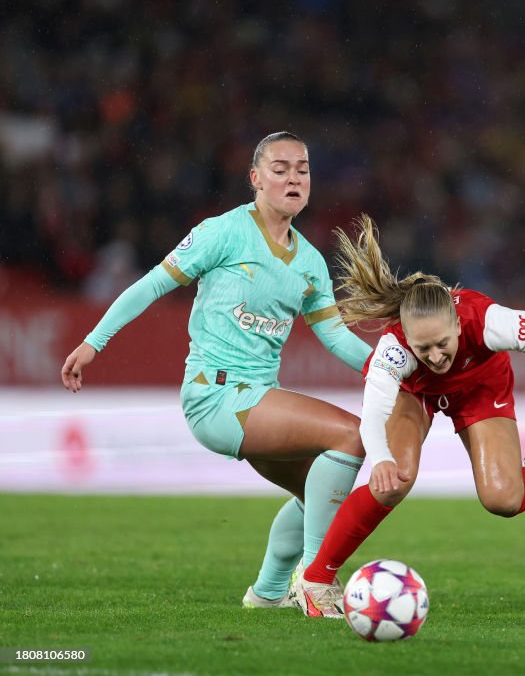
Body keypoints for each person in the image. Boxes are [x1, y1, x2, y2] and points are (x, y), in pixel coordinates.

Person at [287, 215, 525, 618]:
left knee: (502, 500)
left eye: (443, 343)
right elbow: (372, 413)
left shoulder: (493, 321)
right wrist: (382, 457)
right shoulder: (394, 349)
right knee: (392, 481)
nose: (436, 356)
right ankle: (316, 579)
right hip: (416, 394)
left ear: (458, 323)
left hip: (480, 389)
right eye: (424, 349)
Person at [60, 132, 373, 609]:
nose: (293, 177)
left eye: (302, 169)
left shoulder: (309, 261)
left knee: (320, 494)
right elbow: (150, 286)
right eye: (280, 168)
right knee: (351, 435)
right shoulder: (222, 232)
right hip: (217, 395)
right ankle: (315, 582)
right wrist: (92, 342)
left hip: (257, 397)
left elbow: (334, 337)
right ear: (255, 178)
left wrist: (386, 368)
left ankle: (268, 595)